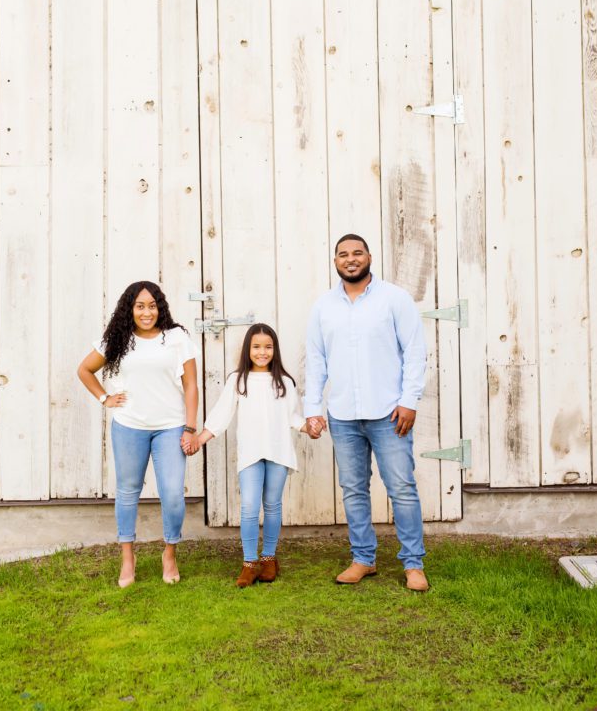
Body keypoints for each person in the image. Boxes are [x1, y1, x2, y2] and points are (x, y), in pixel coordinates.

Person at [305, 234, 429, 592]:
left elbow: (415, 352)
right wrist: (313, 409)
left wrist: (409, 401)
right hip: (343, 415)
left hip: (389, 413)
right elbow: (316, 362)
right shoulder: (323, 307)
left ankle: (413, 564)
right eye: (343, 254)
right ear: (335, 262)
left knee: (402, 488)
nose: (351, 259)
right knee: (353, 490)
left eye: (357, 252)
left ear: (369, 256)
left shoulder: (394, 299)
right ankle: (363, 559)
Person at [76, 280, 200, 588]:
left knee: (172, 494)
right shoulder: (117, 339)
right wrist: (105, 398)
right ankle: (127, 558)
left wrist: (190, 426)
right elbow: (84, 370)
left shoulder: (176, 338)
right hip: (129, 426)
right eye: (140, 306)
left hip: (170, 427)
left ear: (161, 307)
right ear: (129, 309)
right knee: (128, 491)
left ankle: (169, 552)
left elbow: (191, 385)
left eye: (153, 305)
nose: (147, 312)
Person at [191, 323, 316, 587]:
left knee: (272, 505)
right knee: (249, 506)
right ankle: (249, 563)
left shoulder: (284, 382)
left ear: (275, 350)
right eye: (256, 347)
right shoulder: (238, 380)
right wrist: (200, 438)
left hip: (278, 451)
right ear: (248, 349)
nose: (262, 352)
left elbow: (294, 417)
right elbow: (222, 413)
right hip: (251, 453)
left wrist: (309, 428)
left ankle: (269, 558)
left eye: (268, 347)